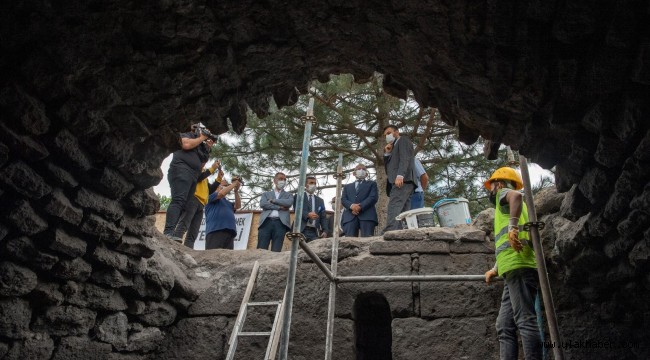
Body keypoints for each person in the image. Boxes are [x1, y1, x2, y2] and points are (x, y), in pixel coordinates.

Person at [483, 167, 542, 360]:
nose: (490, 191)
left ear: (499, 183)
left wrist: (513, 226)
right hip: (511, 268)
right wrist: (495, 268)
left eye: (491, 186)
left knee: (525, 320)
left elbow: (516, 195)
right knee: (504, 325)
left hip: (519, 266)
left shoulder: (504, 194)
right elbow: (506, 243)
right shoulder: (510, 208)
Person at [163, 123, 212, 241]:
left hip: (194, 176)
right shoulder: (185, 133)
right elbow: (185, 144)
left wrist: (208, 147)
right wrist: (201, 138)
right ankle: (168, 232)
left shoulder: (200, 143)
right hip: (181, 170)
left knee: (185, 205)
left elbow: (201, 165)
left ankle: (174, 234)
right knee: (178, 200)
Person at [173, 155, 223, 249]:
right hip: (193, 199)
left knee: (194, 232)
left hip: (201, 204)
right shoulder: (194, 169)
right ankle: (174, 247)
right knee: (184, 224)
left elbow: (210, 190)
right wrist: (212, 168)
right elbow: (198, 178)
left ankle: (188, 250)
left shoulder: (204, 172)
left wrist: (218, 179)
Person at [382, 125, 415, 231]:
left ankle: (389, 231)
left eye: (388, 133)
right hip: (403, 182)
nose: (387, 136)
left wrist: (400, 175)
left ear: (396, 132)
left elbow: (405, 158)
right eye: (385, 135)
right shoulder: (394, 147)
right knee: (404, 211)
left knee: (394, 205)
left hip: (402, 180)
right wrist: (387, 152)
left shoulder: (403, 140)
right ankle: (400, 232)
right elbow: (389, 169)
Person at [257, 172, 293, 252]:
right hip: (266, 222)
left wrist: (273, 201)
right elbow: (263, 204)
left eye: (284, 179)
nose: (283, 181)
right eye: (280, 179)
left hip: (280, 224)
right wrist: (279, 207)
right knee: (261, 249)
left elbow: (289, 203)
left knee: (276, 250)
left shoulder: (289, 195)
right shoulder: (266, 194)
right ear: (274, 180)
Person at [341, 164, 379, 237]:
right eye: (359, 169)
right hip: (350, 217)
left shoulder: (372, 184)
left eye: (363, 169)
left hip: (367, 216)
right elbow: (344, 199)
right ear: (354, 173)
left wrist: (360, 206)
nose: (361, 170)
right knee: (349, 243)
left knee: (367, 241)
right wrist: (352, 206)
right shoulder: (347, 186)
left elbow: (373, 197)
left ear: (366, 174)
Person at [204, 177, 242, 249]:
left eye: (225, 186)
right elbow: (221, 194)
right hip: (215, 230)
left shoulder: (228, 202)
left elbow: (238, 206)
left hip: (230, 231)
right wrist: (234, 184)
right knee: (212, 256)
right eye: (222, 186)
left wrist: (236, 191)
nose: (225, 187)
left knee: (227, 258)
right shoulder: (210, 196)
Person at [294, 176, 329, 242]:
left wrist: (325, 231)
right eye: (311, 183)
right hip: (301, 230)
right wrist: (307, 215)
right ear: (305, 185)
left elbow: (323, 217)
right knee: (300, 251)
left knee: (312, 251)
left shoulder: (320, 200)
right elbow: (296, 210)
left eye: (315, 183)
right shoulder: (299, 196)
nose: (313, 185)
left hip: (314, 232)